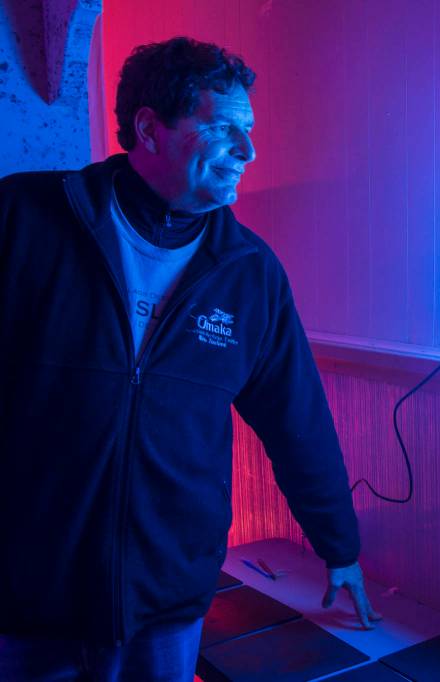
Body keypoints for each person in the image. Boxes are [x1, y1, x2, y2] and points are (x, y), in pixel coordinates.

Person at [0, 37, 380, 681]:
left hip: (167, 602)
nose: (248, 151)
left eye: (250, 131)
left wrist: (338, 545)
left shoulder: (249, 273)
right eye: (224, 128)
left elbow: (298, 423)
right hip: (30, 593)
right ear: (149, 128)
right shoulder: (24, 219)